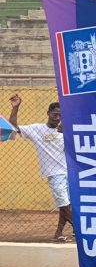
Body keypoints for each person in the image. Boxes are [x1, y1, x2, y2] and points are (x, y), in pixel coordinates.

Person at [7, 95, 72, 241]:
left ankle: (58, 234)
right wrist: (16, 107)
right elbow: (13, 127)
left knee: (66, 205)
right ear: (48, 113)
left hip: (70, 172)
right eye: (55, 115)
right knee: (63, 202)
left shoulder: (66, 130)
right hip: (54, 173)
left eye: (60, 116)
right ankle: (79, 229)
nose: (57, 118)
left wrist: (66, 132)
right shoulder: (37, 129)